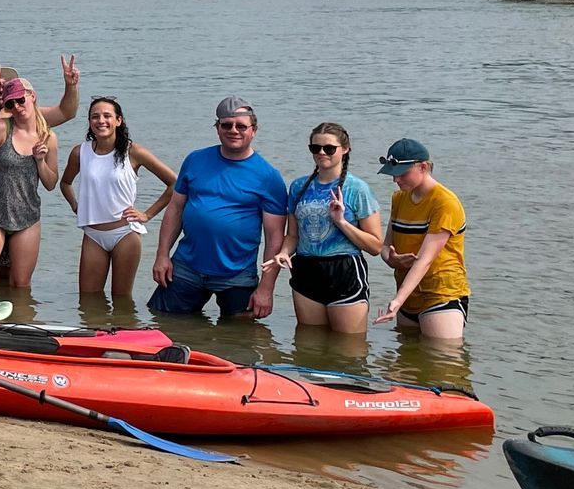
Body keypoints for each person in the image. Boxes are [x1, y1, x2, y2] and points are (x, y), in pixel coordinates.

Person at [148, 96, 287, 319]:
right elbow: (175, 209)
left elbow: (275, 237)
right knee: (163, 326)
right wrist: (162, 255)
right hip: (186, 267)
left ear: (254, 130)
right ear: (217, 128)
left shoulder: (268, 177)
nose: (234, 130)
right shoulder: (195, 160)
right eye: (226, 125)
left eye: (241, 126)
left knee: (239, 342)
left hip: (237, 273)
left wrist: (266, 288)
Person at [0, 59, 80, 288]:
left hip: (15, 208)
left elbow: (66, 111)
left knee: (9, 279)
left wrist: (70, 85)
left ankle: (5, 320)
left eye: (4, 85)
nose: (0, 88)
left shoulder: (19, 114)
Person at [268, 122, 384, 334]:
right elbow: (293, 235)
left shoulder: (357, 189)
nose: (321, 153)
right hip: (305, 268)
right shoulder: (298, 186)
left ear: (345, 149)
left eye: (329, 148)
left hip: (344, 269)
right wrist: (283, 253)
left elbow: (376, 246)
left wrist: (341, 222)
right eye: (315, 148)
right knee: (309, 345)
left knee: (349, 349)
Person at [59, 97, 177, 299]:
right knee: (88, 301)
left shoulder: (133, 152)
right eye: (95, 116)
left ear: (118, 120)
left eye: (107, 116)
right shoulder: (80, 152)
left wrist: (147, 214)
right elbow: (65, 183)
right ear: (89, 122)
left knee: (121, 300)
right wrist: (76, 205)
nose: (101, 121)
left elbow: (175, 183)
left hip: (125, 234)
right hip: (93, 235)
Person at [0, 78, 60, 293]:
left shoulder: (49, 137)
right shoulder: (1, 128)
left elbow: (51, 183)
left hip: (27, 218)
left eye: (20, 100)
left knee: (20, 285)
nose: (16, 107)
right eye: (10, 104)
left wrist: (40, 161)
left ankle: (13, 323)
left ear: (32, 97)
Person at [373, 137, 470, 341]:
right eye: (393, 175)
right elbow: (386, 246)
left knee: (443, 363)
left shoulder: (445, 203)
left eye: (402, 174)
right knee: (407, 362)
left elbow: (425, 260)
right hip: (407, 293)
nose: (396, 180)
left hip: (440, 294)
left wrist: (397, 301)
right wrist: (390, 259)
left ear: (423, 167)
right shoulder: (399, 198)